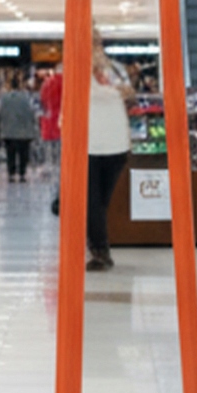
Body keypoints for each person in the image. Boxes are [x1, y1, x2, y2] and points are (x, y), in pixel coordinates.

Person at [83, 29, 134, 271]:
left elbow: (128, 93)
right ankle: (99, 249)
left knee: (97, 201)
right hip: (95, 143)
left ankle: (100, 250)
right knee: (95, 201)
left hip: (109, 143)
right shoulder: (79, 70)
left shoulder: (113, 69)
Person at [0, 74, 39, 182]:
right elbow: (31, 113)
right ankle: (22, 173)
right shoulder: (26, 98)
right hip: (24, 132)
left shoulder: (4, 98)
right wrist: (33, 126)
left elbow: (1, 114)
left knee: (10, 153)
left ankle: (11, 173)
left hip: (8, 131)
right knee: (23, 153)